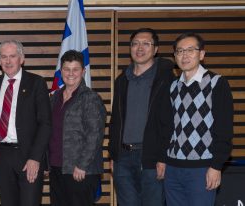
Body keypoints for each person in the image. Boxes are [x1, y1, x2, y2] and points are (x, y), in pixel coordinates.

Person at [0, 40, 52, 206]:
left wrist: (35, 158)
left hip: (28, 157)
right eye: (3, 57)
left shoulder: (36, 83)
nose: (8, 61)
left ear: (22, 59)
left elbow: (45, 124)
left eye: (12, 56)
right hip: (2, 156)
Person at [163, 32, 233, 206]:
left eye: (190, 50)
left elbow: (224, 129)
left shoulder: (217, 83)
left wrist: (216, 166)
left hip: (202, 168)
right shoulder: (173, 86)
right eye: (179, 51)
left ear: (202, 54)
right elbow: (167, 127)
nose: (184, 55)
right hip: (172, 168)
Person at [108, 28, 175, 206]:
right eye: (135, 43)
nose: (140, 48)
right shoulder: (122, 80)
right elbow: (115, 121)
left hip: (151, 157)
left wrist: (163, 157)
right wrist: (113, 155)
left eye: (146, 44)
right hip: (123, 158)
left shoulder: (166, 79)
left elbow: (170, 122)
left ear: (155, 49)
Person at [48, 50, 106, 205]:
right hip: (56, 168)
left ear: (83, 71)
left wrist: (82, 165)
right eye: (67, 69)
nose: (71, 73)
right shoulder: (54, 98)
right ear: (61, 72)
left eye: (75, 69)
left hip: (79, 171)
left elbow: (95, 135)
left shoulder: (91, 98)